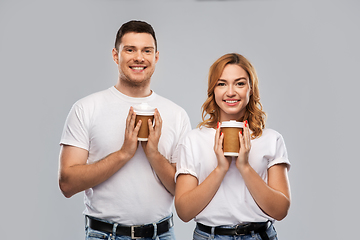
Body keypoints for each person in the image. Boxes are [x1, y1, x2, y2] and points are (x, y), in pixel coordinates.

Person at [58, 20, 191, 240]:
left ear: (156, 57)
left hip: (162, 234)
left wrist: (153, 153)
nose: (139, 57)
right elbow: (67, 184)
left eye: (146, 50)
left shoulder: (177, 115)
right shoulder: (86, 108)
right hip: (105, 234)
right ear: (115, 55)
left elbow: (183, 191)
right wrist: (124, 153)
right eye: (130, 49)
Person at [174, 53, 291, 240]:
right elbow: (184, 211)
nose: (230, 92)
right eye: (221, 84)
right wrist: (221, 168)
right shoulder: (193, 140)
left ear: (251, 89)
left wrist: (244, 166)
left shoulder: (271, 139)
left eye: (240, 83)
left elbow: (280, 210)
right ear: (213, 90)